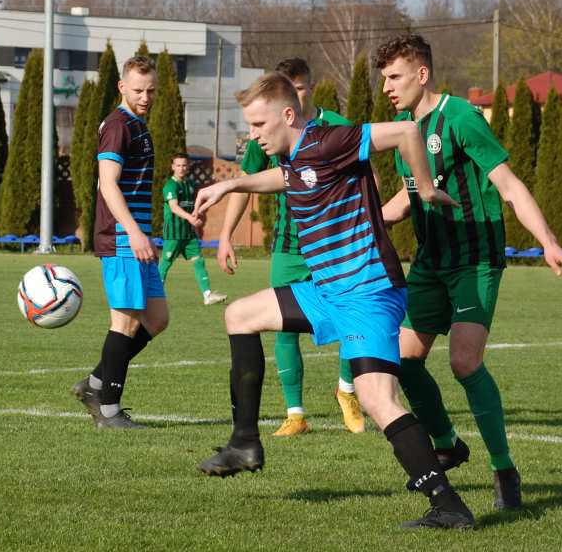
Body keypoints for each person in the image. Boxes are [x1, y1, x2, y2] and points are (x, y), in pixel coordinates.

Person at [194, 71, 475, 530]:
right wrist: (230, 186)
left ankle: (448, 505)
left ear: (288, 115)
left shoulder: (327, 141)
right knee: (239, 314)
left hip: (367, 291)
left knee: (376, 399)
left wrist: (422, 189)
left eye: (260, 125)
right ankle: (244, 442)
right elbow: (285, 178)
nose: (253, 135)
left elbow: (406, 131)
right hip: (327, 290)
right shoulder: (299, 156)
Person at [374, 34, 562, 509]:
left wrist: (547, 241)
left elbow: (508, 184)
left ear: (421, 75)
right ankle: (446, 443)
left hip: (474, 259)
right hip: (430, 262)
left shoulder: (460, 117)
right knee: (401, 360)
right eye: (383, 79)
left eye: (394, 77)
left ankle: (504, 469)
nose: (387, 87)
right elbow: (409, 197)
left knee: (464, 362)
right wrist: (362, 220)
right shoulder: (404, 126)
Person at [217, 57, 365, 436]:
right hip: (288, 245)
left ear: (308, 89)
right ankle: (295, 413)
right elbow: (244, 181)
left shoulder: (337, 129)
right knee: (281, 327)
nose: (295, 98)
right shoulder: (265, 134)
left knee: (351, 318)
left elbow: (370, 181)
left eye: (300, 89)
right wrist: (225, 236)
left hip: (335, 247)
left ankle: (347, 391)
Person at [70, 56, 169, 429]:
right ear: (122, 87)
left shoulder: (137, 124)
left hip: (136, 235)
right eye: (139, 90)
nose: (145, 97)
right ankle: (108, 410)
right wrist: (134, 231)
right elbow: (107, 184)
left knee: (156, 319)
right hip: (122, 237)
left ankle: (95, 382)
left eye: (151, 90)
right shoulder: (117, 126)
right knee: (125, 322)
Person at [158, 152, 227, 305]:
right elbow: (174, 207)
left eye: (184, 165)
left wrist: (196, 214)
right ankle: (153, 296)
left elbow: (192, 206)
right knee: (165, 263)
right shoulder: (171, 185)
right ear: (172, 167)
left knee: (199, 261)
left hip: (188, 233)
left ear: (188, 166)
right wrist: (191, 218)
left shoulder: (189, 184)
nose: (181, 168)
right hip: (173, 233)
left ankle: (207, 295)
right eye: (178, 165)